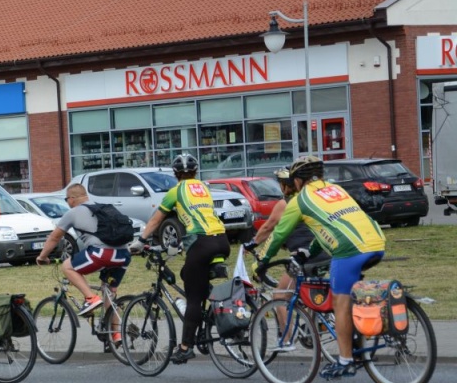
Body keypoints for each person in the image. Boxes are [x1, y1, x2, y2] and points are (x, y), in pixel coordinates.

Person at [257, 156, 386, 380]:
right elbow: (329, 227)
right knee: (350, 294)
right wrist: (310, 251)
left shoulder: (299, 200)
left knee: (340, 301)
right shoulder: (335, 190)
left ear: (297, 181)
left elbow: (279, 234)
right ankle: (358, 336)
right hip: (376, 242)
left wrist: (262, 259)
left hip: (349, 251)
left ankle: (346, 360)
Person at [139, 154, 230, 365]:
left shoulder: (175, 191)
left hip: (202, 243)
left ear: (176, 174)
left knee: (193, 298)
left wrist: (141, 239)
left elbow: (156, 220)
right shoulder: (204, 188)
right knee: (188, 275)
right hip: (222, 241)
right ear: (196, 172)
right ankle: (207, 323)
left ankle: (185, 348)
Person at [35, 183, 132, 344]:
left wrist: (42, 256)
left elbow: (54, 237)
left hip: (102, 253)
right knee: (109, 293)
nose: (67, 202)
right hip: (123, 255)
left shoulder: (72, 213)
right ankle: (116, 334)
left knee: (67, 266)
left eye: (67, 199)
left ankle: (90, 298)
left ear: (72, 199)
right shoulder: (102, 207)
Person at [246, 167, 330, 300]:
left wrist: (252, 244)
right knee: (312, 295)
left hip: (306, 257)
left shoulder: (285, 203)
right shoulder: (308, 199)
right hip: (324, 253)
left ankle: (289, 322)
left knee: (280, 295)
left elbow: (269, 228)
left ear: (285, 185)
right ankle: (313, 319)